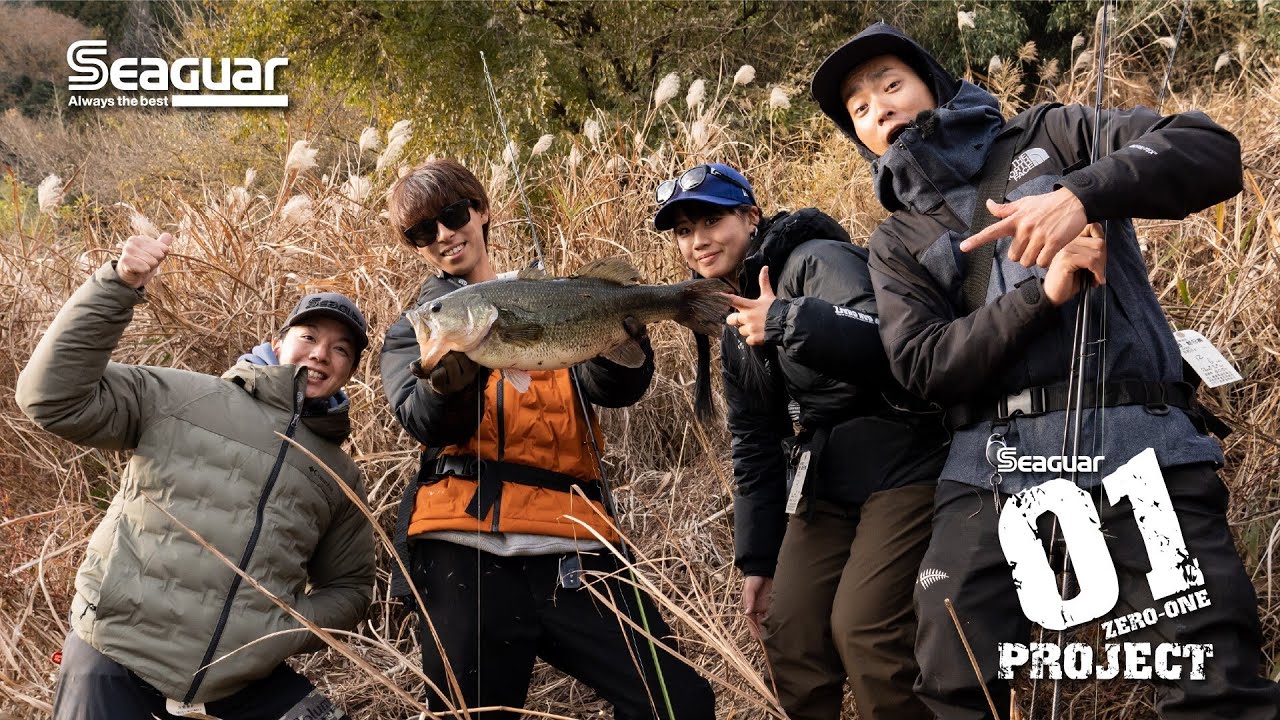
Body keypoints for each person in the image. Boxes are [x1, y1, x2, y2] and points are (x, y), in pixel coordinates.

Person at [811, 21, 1280, 720]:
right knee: (954, 683)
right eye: (858, 107)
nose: (878, 106)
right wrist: (1042, 296)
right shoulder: (896, 240)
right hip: (989, 471)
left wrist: (1081, 195)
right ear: (861, 138)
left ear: (933, 85)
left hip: (1137, 444)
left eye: (890, 83)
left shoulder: (1053, 134)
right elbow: (922, 365)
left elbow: (1209, 149)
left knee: (1212, 681)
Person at [379, 158, 715, 719]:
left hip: (574, 540)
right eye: (421, 231)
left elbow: (616, 388)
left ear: (481, 212)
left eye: (454, 214)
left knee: (678, 704)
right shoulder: (418, 326)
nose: (442, 235)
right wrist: (449, 390)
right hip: (462, 546)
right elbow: (425, 423)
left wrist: (621, 339)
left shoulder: (555, 294)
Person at [16, 232, 374, 719]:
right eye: (308, 337)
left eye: (341, 349)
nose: (320, 354)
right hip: (116, 655)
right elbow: (51, 399)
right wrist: (118, 284)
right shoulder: (182, 398)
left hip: (238, 677)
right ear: (278, 343)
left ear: (349, 372)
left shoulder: (339, 474)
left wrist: (282, 626)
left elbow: (350, 589)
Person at [652, 162, 948, 720]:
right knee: (788, 629)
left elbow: (893, 344)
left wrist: (786, 318)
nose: (698, 241)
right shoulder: (733, 323)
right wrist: (757, 560)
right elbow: (753, 442)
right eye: (684, 231)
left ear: (751, 216)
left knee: (864, 629)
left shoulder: (816, 259)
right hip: (826, 481)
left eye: (711, 221)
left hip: (905, 461)